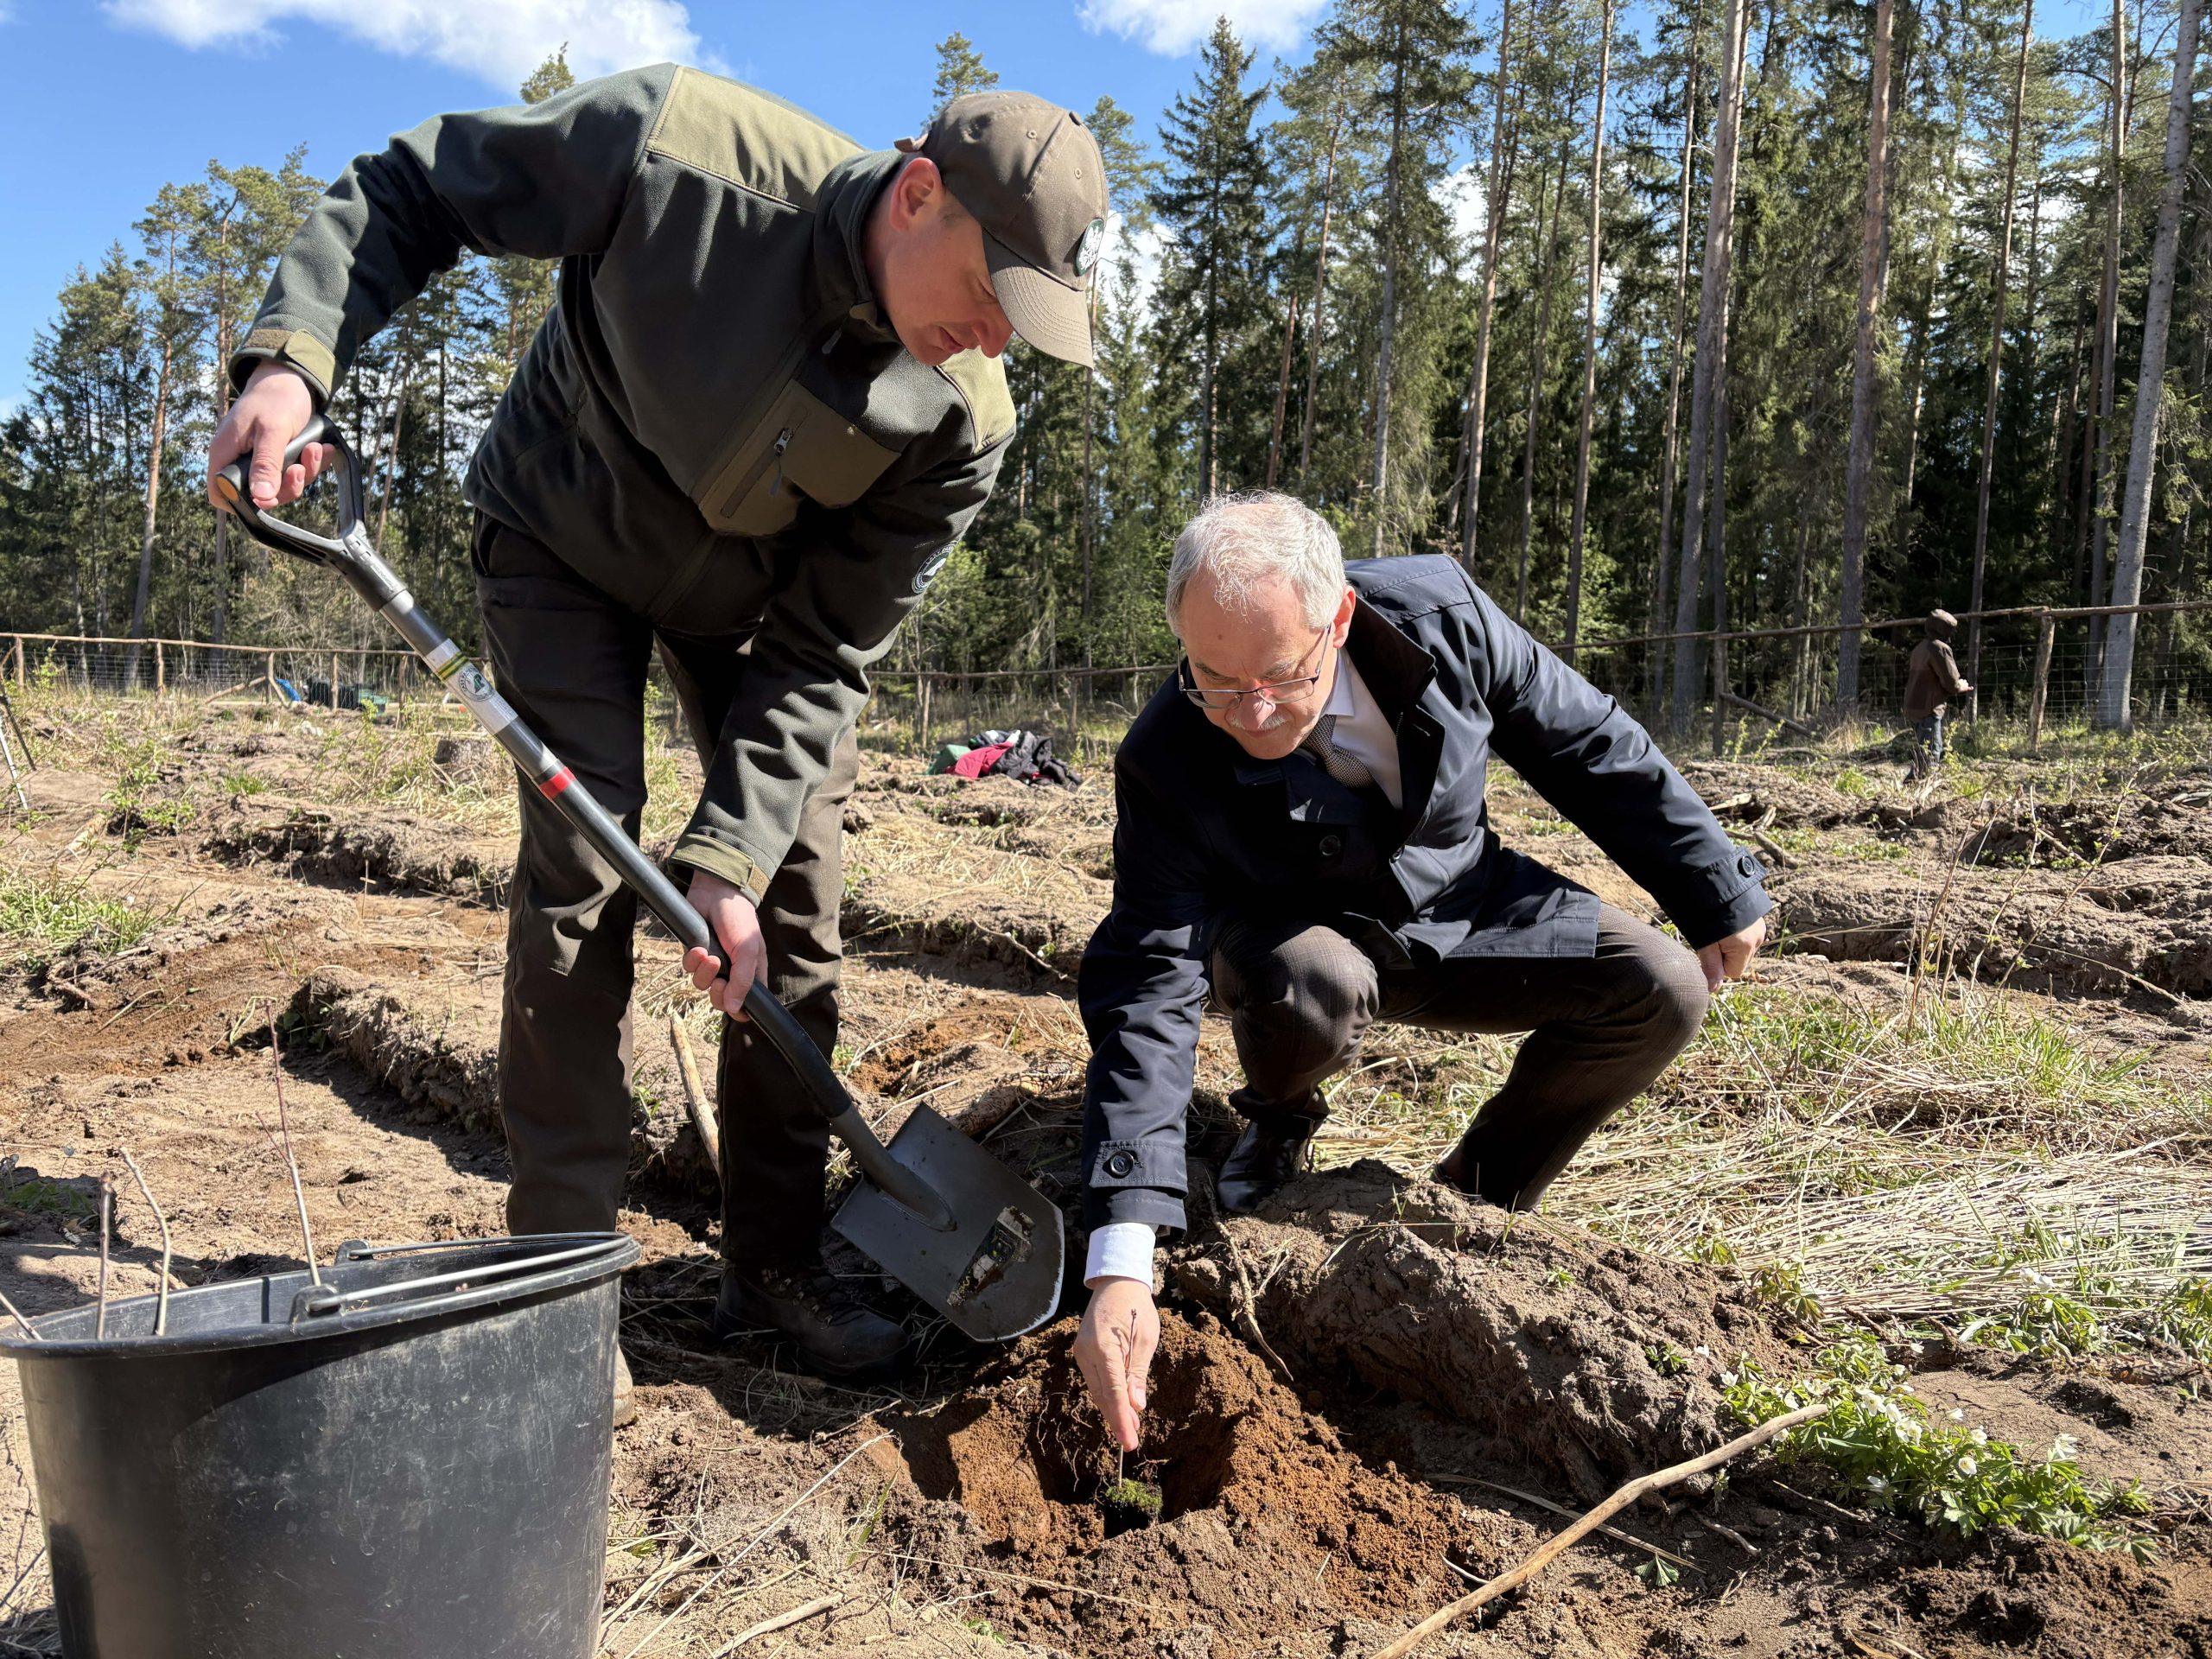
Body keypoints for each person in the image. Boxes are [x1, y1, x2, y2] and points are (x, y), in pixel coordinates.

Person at [207, 72, 1109, 1402]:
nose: (992, 336)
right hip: (564, 538)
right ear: (918, 193)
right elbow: (417, 185)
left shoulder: (964, 420)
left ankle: (779, 1264)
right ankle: (561, 1283)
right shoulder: (675, 154)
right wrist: (291, 366)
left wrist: (732, 856)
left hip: (757, 618)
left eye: (1023, 321)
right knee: (581, 880)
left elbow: (827, 650)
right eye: (990, 292)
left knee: (790, 909)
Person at [1069, 494, 1772, 1450]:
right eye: (1215, 681)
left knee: (1661, 990)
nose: (1251, 711)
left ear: (1341, 619)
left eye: (1278, 674)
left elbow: (1583, 741)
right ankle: (1276, 1123)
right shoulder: (1167, 755)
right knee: (1310, 990)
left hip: (1457, 902)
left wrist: (1714, 885)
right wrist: (1123, 1253)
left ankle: (1471, 1203)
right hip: (1286, 935)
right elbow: (1147, 983)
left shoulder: (1442, 619)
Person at [1902, 610, 1972, 779]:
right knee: (1931, 754)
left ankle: (1909, 790)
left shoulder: (1919, 648)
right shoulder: (1940, 649)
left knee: (1924, 753)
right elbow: (1951, 682)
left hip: (1913, 705)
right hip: (1929, 707)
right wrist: (1960, 686)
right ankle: (1917, 795)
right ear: (1944, 631)